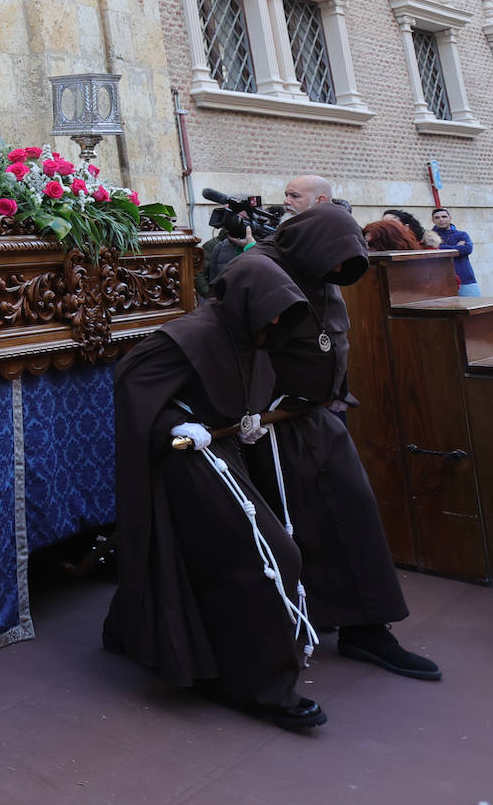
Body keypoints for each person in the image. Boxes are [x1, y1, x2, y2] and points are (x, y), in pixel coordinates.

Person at [103, 255, 325, 730]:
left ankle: (134, 628)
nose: (278, 322)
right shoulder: (191, 334)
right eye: (274, 310)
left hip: (221, 452)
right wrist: (173, 425)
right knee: (264, 556)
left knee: (213, 557)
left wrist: (243, 420)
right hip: (185, 460)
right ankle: (263, 688)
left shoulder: (249, 331)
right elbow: (131, 382)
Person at [245, 203, 439, 681]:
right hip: (274, 424)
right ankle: (361, 627)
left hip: (317, 414)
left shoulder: (314, 267)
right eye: (334, 263)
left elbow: (329, 339)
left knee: (344, 515)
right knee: (328, 517)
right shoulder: (257, 270)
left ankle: (357, 623)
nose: (336, 272)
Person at [432, 207, 480, 296]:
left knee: (476, 307)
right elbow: (434, 251)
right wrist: (457, 248)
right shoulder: (429, 236)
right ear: (433, 220)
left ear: (450, 218)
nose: (441, 220)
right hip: (441, 282)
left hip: (465, 279)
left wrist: (442, 248)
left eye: (444, 216)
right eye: (437, 218)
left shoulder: (462, 234)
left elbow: (467, 249)